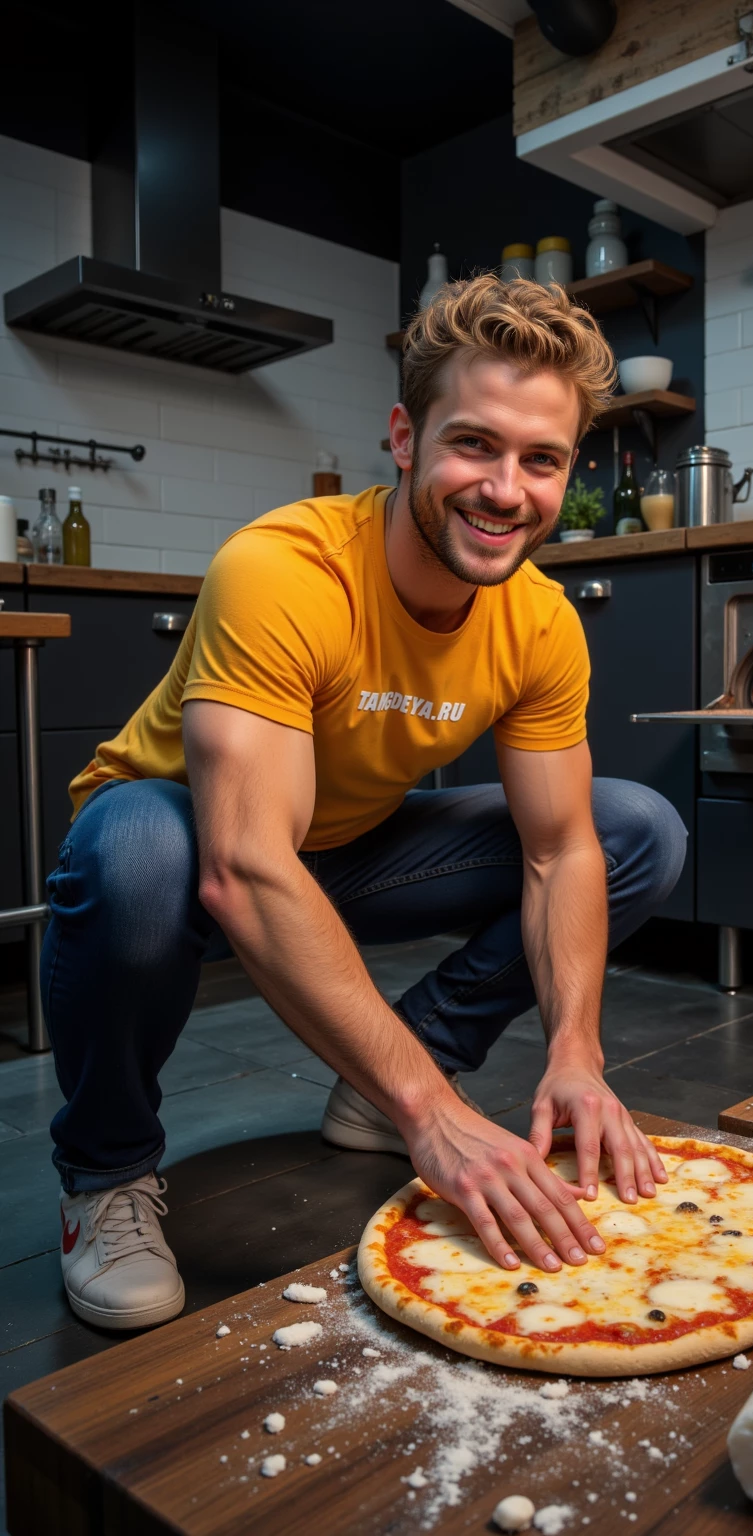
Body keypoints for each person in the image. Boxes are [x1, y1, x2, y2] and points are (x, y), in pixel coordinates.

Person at [45, 275, 688, 1331]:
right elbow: (244, 865)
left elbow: (560, 853)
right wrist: (433, 1119)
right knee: (141, 852)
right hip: (183, 852)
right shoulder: (281, 570)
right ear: (404, 435)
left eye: (541, 461)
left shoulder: (539, 621)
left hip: (346, 854)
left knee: (631, 831)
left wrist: (577, 1054)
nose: (505, 491)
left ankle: (391, 1076)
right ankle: (105, 1173)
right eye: (474, 445)